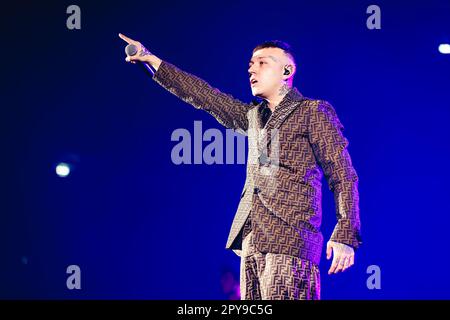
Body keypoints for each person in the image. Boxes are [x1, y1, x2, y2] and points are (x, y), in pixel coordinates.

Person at [119, 33, 362, 300]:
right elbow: (206, 96)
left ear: (287, 71)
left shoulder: (313, 111)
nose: (252, 68)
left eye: (262, 62)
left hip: (290, 240)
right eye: (250, 63)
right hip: (251, 242)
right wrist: (153, 61)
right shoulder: (253, 116)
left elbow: (342, 174)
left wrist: (345, 234)